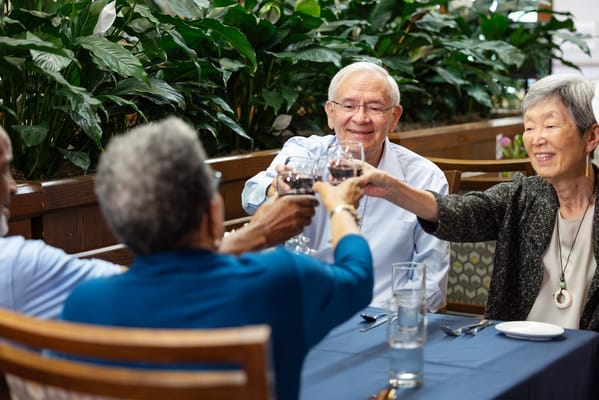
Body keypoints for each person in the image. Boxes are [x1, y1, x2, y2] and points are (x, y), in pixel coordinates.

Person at [61, 117, 373, 400]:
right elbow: (358, 275)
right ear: (212, 215)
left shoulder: (83, 304)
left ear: (118, 223)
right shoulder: (280, 280)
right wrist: (341, 206)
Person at [0, 125, 319, 320]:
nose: (13, 186)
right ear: (211, 215)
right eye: (2, 170)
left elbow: (145, 283)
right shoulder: (16, 266)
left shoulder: (70, 294)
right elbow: (153, 285)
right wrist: (258, 233)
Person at [361, 73, 599, 331]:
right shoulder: (523, 196)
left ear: (591, 137)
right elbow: (463, 212)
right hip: (518, 350)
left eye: (551, 126)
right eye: (529, 127)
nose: (536, 138)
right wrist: (391, 188)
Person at [242, 61, 449, 311]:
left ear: (394, 117)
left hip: (382, 318)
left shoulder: (425, 179)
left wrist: (394, 321)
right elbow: (251, 196)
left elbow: (432, 281)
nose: (360, 118)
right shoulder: (304, 153)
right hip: (305, 312)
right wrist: (276, 190)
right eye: (348, 106)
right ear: (330, 113)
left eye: (375, 108)